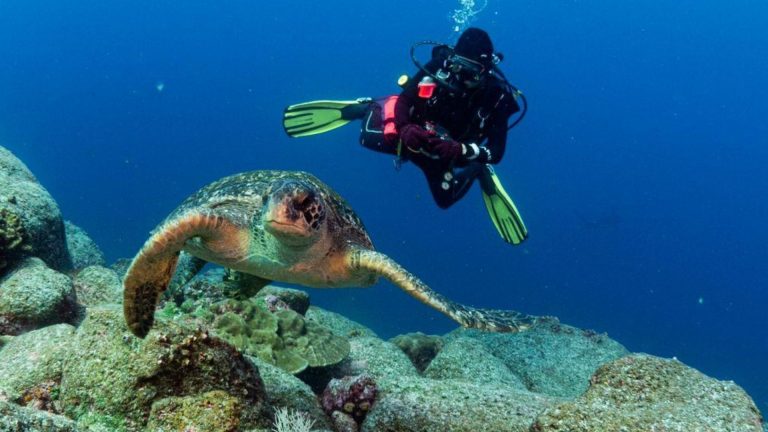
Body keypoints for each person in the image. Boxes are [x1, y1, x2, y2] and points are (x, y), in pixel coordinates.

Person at [283, 28, 528, 244]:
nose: (461, 75)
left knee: (445, 199)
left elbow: (496, 151)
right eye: (458, 65)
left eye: (471, 71)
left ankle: (478, 171)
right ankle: (364, 108)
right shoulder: (438, 68)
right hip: (411, 136)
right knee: (366, 137)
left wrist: (461, 151)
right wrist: (404, 127)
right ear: (452, 58)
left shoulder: (497, 99)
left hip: (446, 154)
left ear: (484, 70)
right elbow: (406, 99)